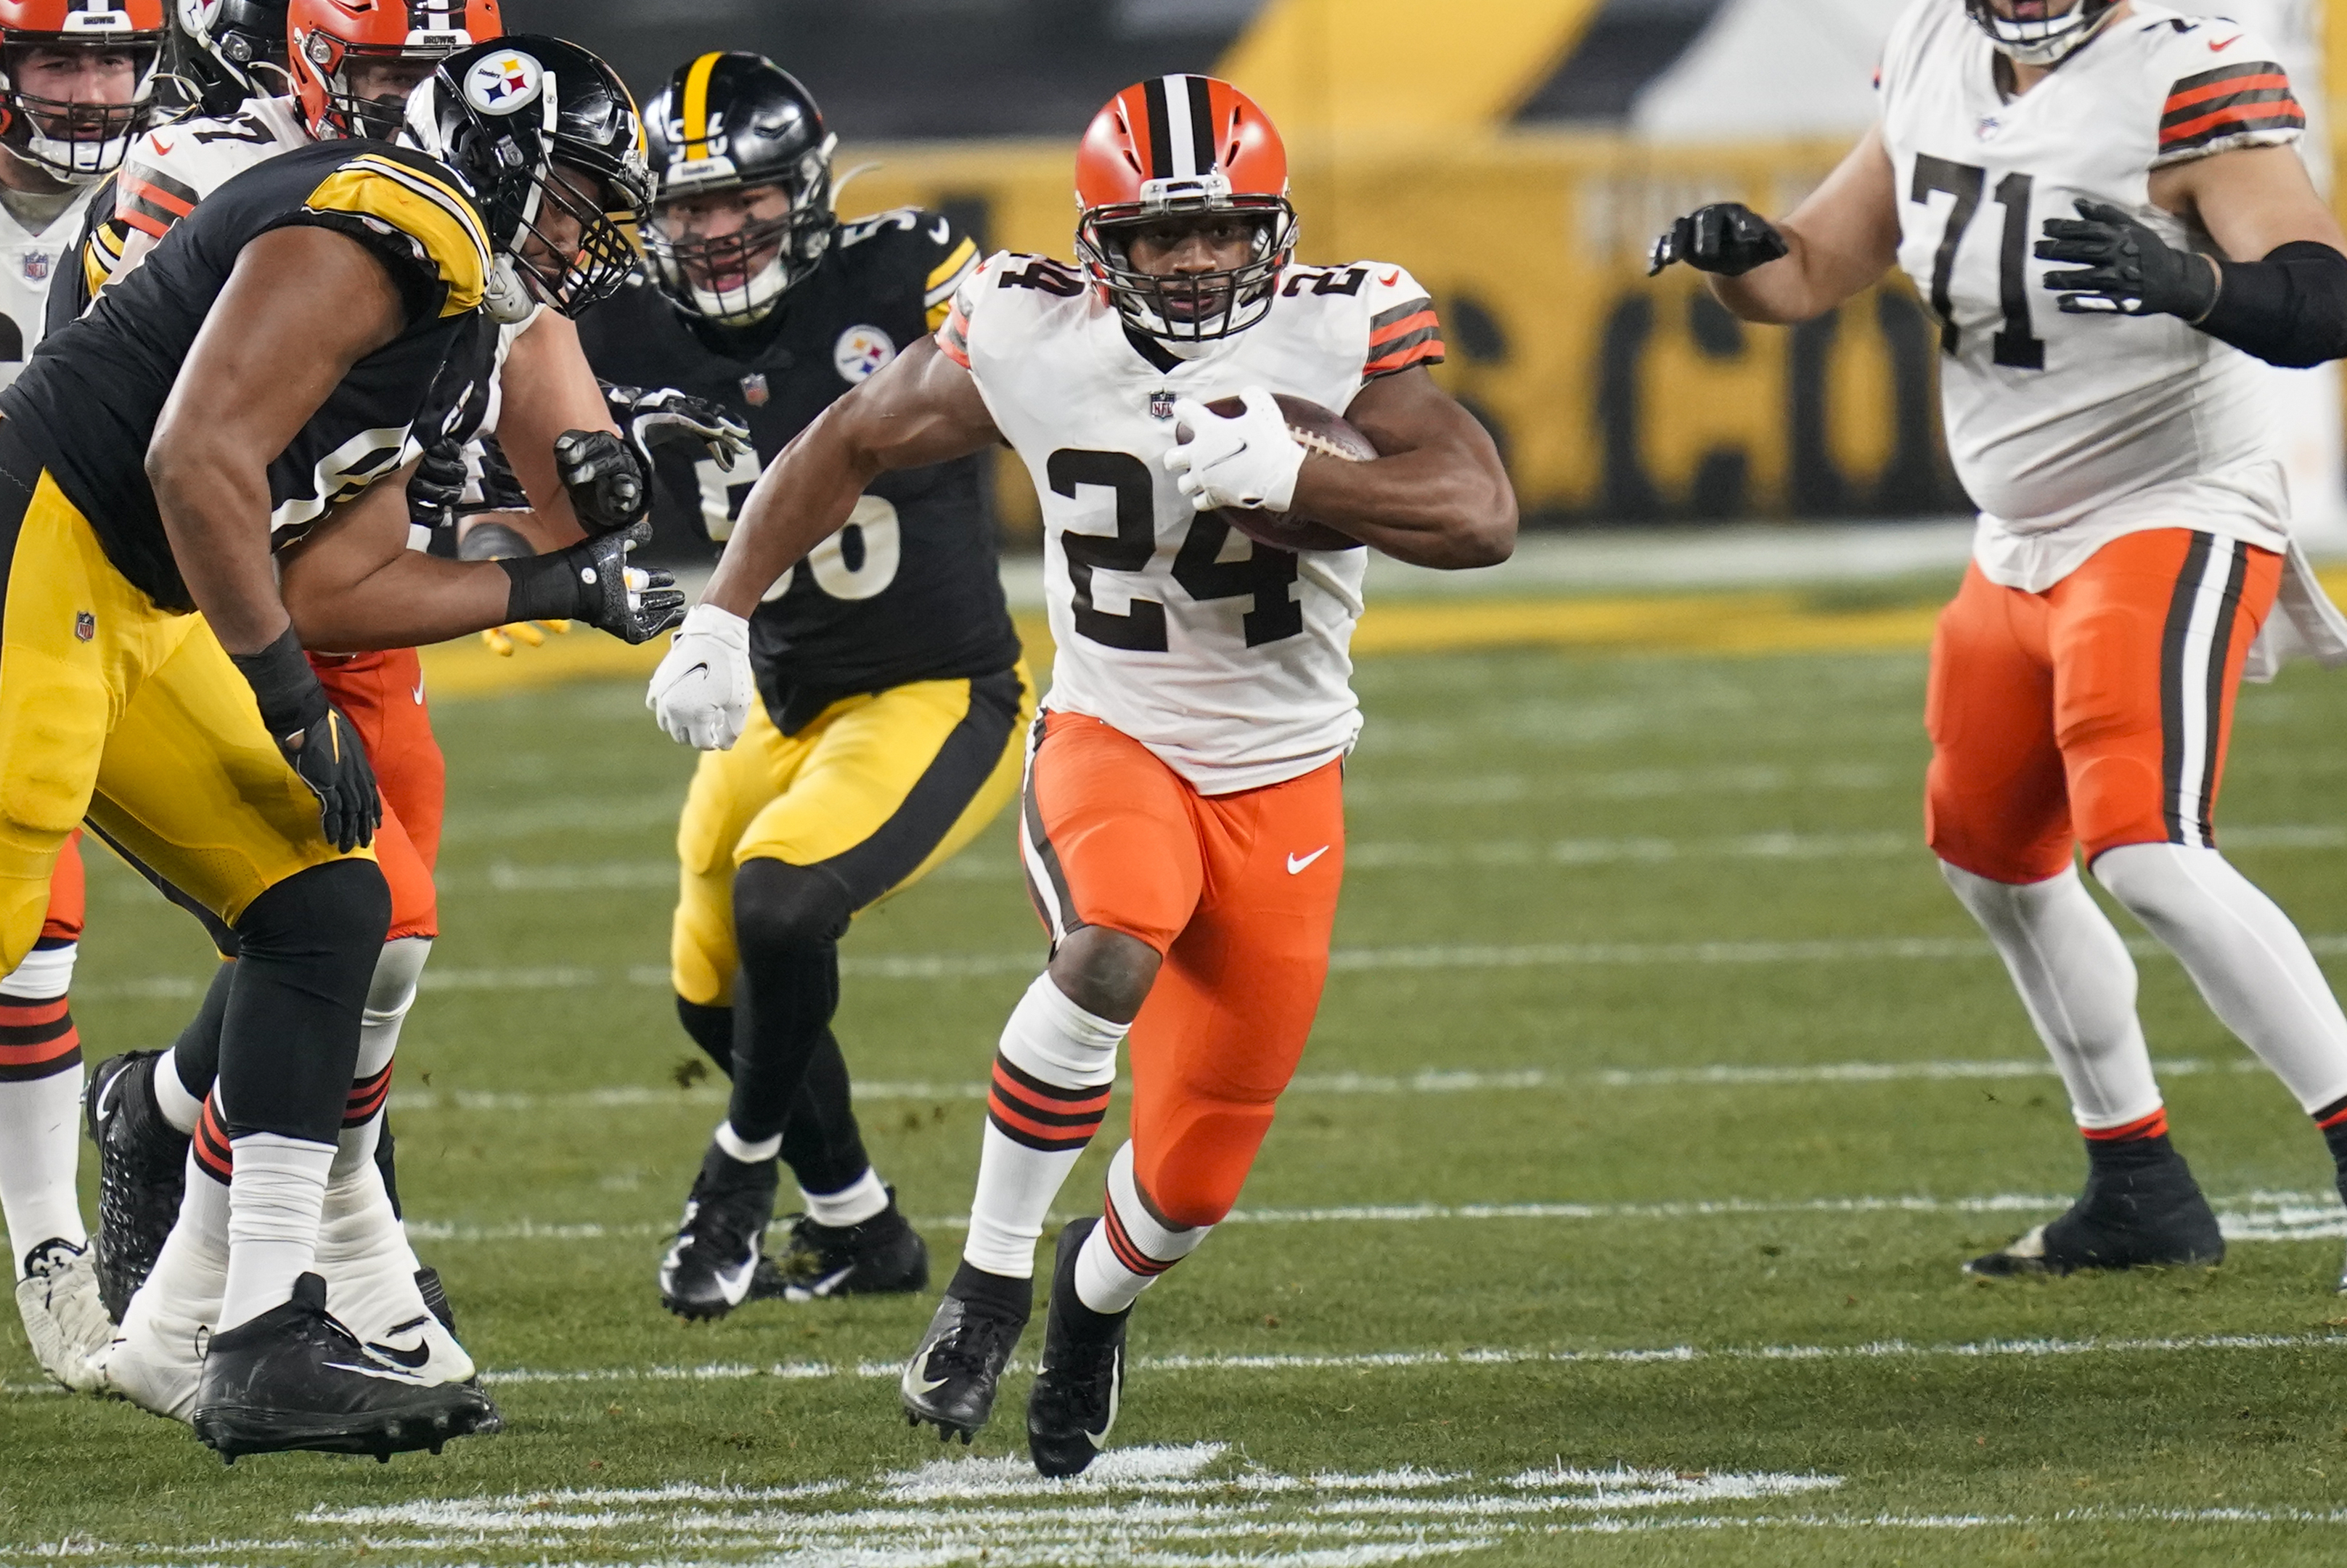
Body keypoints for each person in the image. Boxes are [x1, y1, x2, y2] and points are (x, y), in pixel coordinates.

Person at [649, 73, 1515, 1476]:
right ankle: (986, 1286)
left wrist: (1300, 475)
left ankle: (1087, 1305)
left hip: (1287, 773)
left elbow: (1478, 517)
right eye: (1157, 235)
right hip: (1112, 732)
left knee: (1186, 1188)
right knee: (1110, 945)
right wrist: (723, 612)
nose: (1190, 260)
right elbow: (848, 441)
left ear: (1273, 233)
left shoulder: (1343, 324)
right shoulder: (1031, 327)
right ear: (1098, 241)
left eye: (1221, 231)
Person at [0, 30, 669, 1458]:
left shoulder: (450, 317)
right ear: (500, 160)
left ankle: (257, 1337)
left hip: (130, 598)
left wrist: (557, 587)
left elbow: (329, 581)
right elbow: (195, 460)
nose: (592, 242)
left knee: (328, 899)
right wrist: (292, 701)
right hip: (39, 555)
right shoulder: (405, 218)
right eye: (577, 200)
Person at [1652, 0, 2347, 1282]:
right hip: (2017, 535)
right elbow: (1807, 274)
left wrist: (2197, 282)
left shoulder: (2185, 71)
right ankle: (2135, 1179)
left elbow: (2321, 299)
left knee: (2146, 851)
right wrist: (1737, 251)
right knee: (1989, 858)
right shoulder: (1930, 48)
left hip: (2167, 507)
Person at [579, 51, 1026, 1321]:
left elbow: (1030, 352)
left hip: (934, 688)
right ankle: (861, 1228)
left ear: (806, 191)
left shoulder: (904, 269)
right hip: (770, 693)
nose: (717, 231)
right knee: (711, 986)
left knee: (781, 910)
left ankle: (739, 1173)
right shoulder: (616, 320)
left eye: (745, 201)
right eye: (688, 207)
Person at [0, 0, 171, 1392]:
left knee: (42, 923)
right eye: (60, 55)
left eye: (114, 57)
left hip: (101, 609)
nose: (92, 88)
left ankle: (53, 1244)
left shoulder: (178, 192)